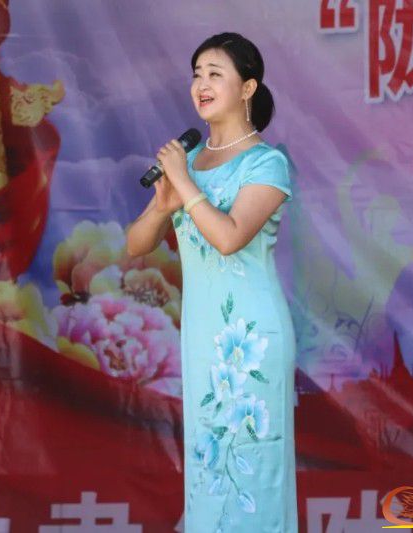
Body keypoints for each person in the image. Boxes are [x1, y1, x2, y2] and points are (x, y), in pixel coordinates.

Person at [126, 32, 297, 533]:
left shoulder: (267, 163)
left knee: (253, 470)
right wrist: (163, 205)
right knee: (209, 468)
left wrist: (183, 183)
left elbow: (229, 238)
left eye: (215, 74)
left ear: (247, 88)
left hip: (251, 339)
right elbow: (136, 245)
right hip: (203, 338)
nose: (201, 84)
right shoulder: (190, 161)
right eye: (197, 74)